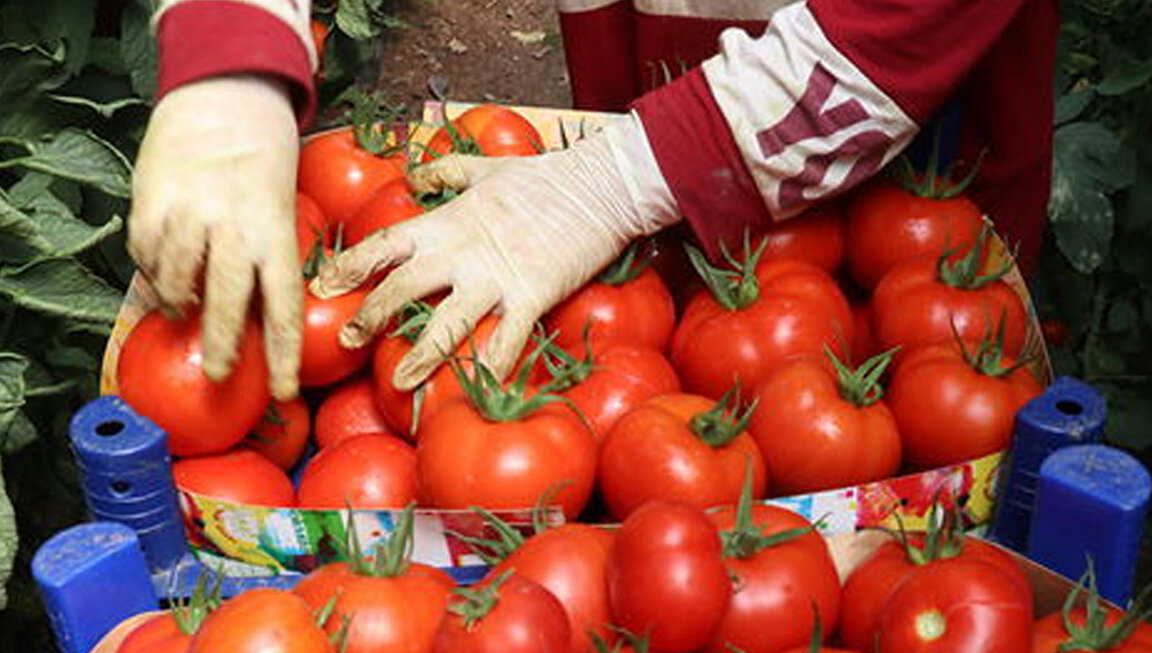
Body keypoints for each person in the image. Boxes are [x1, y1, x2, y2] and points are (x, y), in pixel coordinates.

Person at [130, 0, 1057, 402]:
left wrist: (602, 187)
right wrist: (231, 60)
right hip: (652, 126)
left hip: (908, 190)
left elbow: (890, 36)